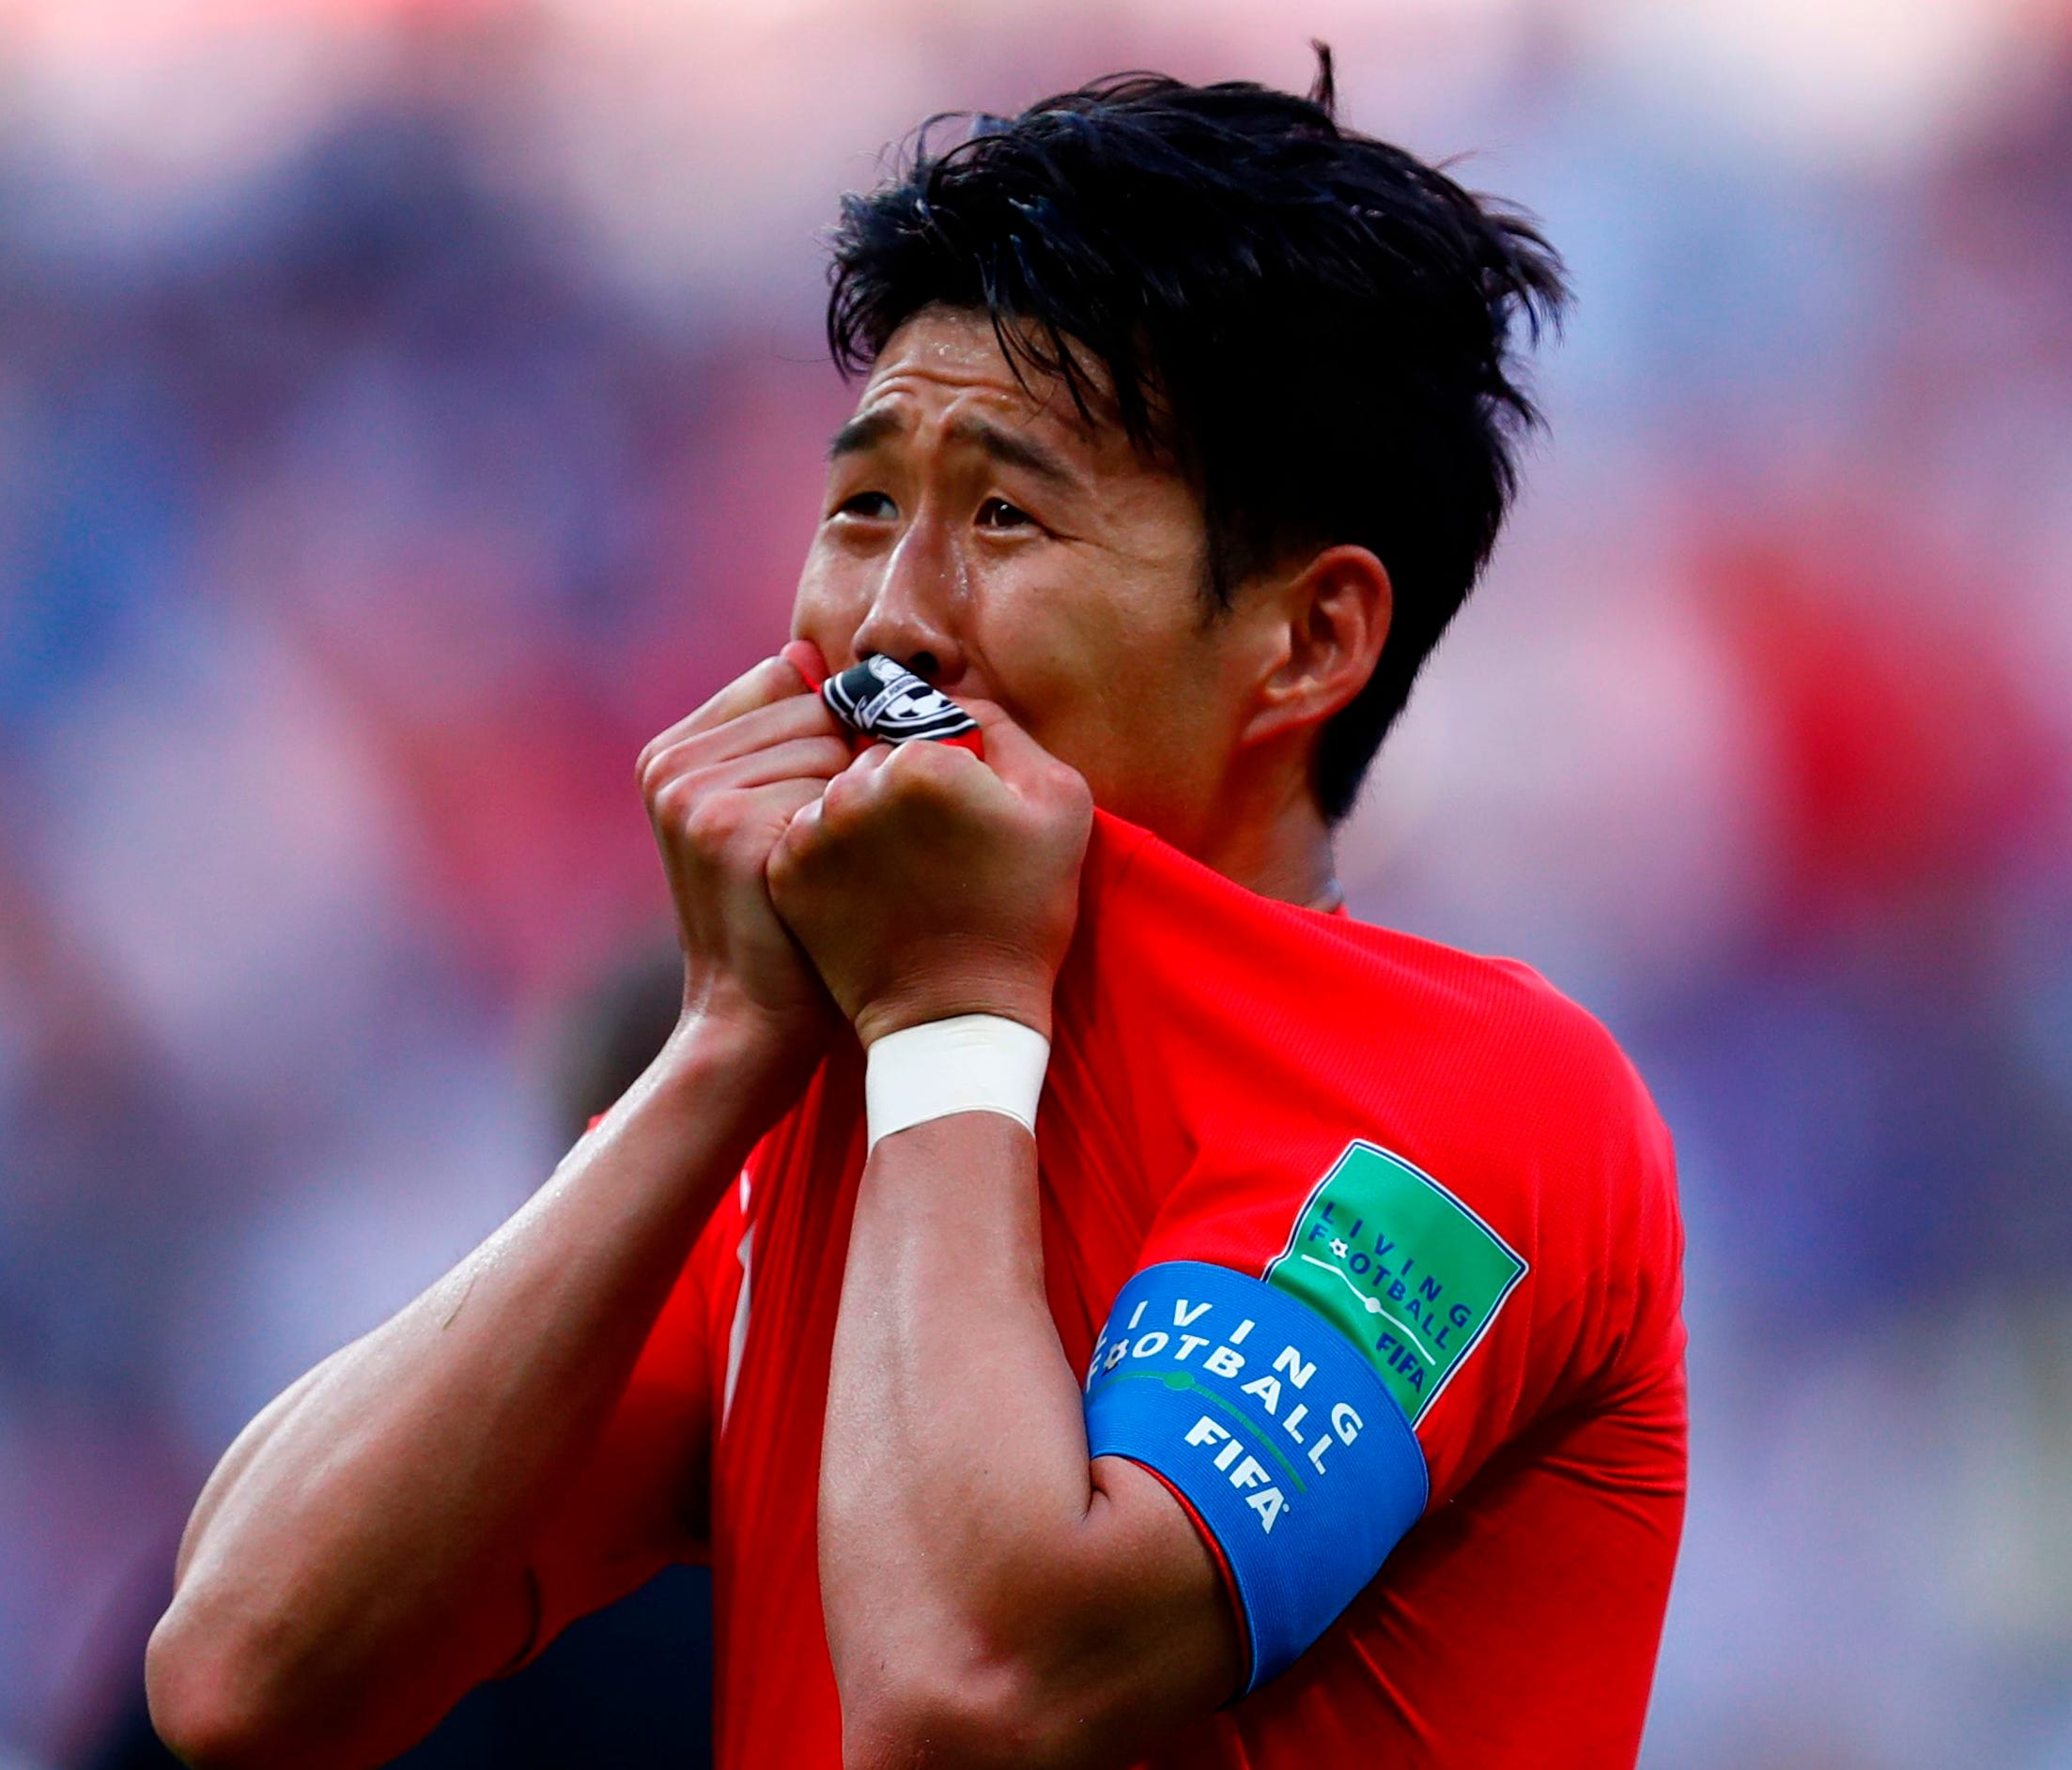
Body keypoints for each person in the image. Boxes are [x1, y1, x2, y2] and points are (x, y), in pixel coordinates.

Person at [147, 53, 1686, 1770]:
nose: (889, 623)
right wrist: (725, 1040)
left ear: (1309, 640)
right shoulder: (813, 1078)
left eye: (1005, 514)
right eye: (864, 503)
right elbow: (245, 1671)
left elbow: (970, 1693)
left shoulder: (1481, 1099)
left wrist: (950, 1013)